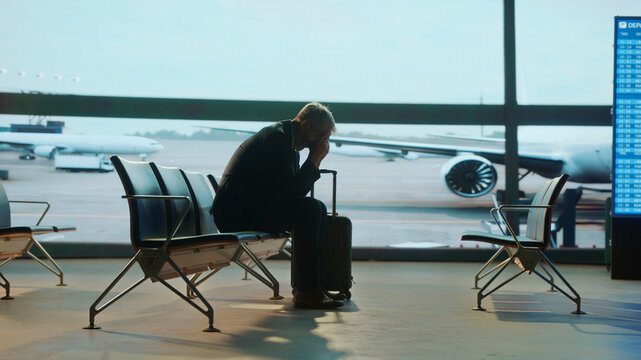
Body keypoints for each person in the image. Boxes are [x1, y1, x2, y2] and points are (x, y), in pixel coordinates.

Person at [212, 102, 343, 309]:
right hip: (235, 214)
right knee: (309, 210)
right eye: (321, 136)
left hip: (252, 207)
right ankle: (306, 290)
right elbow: (290, 194)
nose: (322, 142)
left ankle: (308, 287)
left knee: (314, 208)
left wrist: (312, 161)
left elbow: (292, 193)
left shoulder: (289, 144)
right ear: (306, 125)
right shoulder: (277, 139)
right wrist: (315, 160)